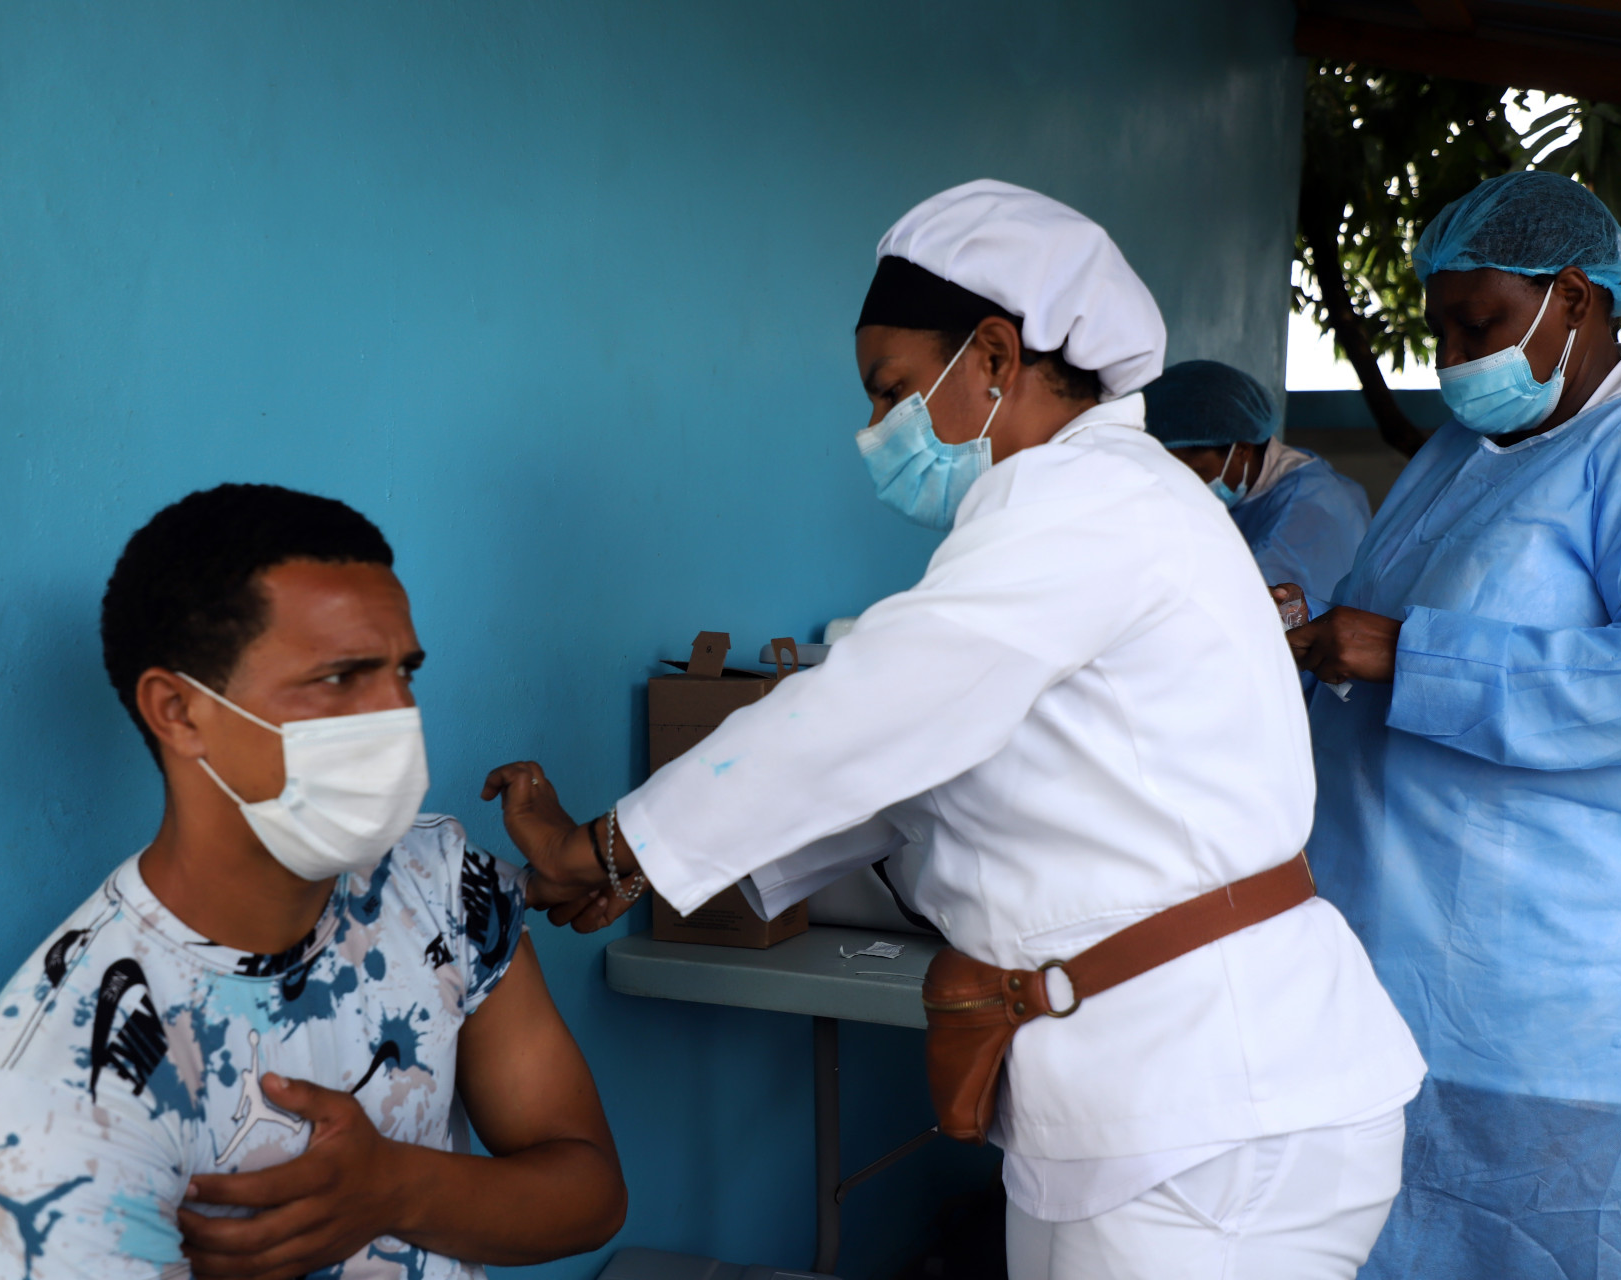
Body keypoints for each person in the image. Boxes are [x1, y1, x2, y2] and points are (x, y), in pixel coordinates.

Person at [487, 180, 1425, 1279]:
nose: (874, 433)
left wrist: (609, 846)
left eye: (891, 391)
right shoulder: (1117, 506)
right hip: (1201, 1098)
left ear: (992, 357)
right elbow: (919, 769)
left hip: (1203, 1111)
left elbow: (868, 707)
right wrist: (644, 865)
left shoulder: (1082, 501)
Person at [0, 484, 626, 1279]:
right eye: (340, 678)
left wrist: (399, 1189)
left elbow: (590, 1195)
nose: (397, 714)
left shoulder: (438, 883)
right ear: (179, 712)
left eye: (404, 673)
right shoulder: (58, 1087)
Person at [1288, 169, 1621, 1278]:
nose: (1451, 358)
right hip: (1402, 980)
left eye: (1478, 324)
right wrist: (1311, 635)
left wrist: (1408, 652)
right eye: (1440, 328)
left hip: (1580, 1006)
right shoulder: (1454, 457)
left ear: (1575, 297)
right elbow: (1372, 631)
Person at [1145, 359, 1370, 618]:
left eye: (1195, 473)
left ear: (1241, 450)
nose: (1181, 486)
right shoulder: (1255, 488)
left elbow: (1256, 610)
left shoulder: (1312, 512)